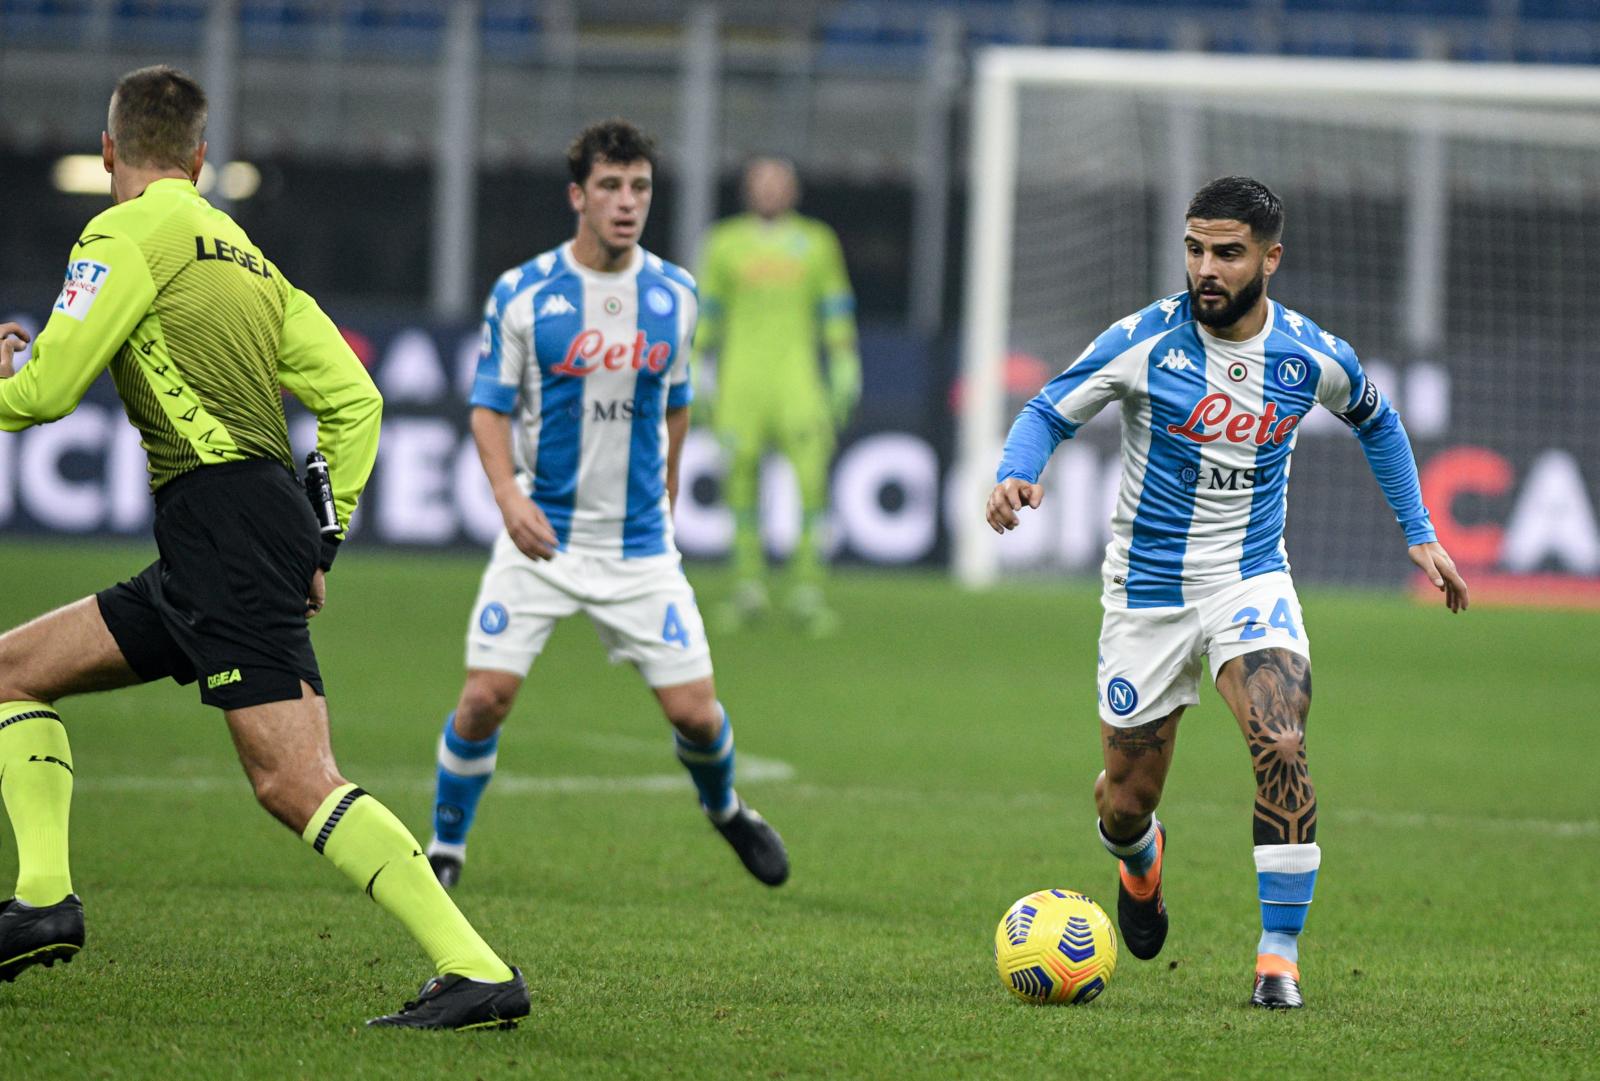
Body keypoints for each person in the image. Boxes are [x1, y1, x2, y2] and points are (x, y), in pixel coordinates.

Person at [0, 65, 528, 1031]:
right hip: (239, 527)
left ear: (109, 150)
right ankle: (41, 902)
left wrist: (10, 375)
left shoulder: (118, 236)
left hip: (222, 526)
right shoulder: (248, 258)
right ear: (201, 159)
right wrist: (324, 534)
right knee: (11, 672)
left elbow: (45, 394)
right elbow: (357, 400)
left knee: (294, 779)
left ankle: (476, 968)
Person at [985, 176, 1469, 1010]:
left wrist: (1418, 529)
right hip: (1147, 589)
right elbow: (1048, 409)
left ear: (1271, 258)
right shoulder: (1145, 341)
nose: (1206, 268)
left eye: (1228, 253)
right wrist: (1015, 472)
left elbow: (1377, 419)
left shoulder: (1310, 355)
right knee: (1126, 796)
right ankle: (1141, 861)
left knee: (1281, 737)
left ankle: (1278, 956)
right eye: (1195, 249)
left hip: (1249, 575)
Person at [423, 119, 789, 894]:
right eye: (611, 187)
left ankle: (726, 808)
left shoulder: (675, 294)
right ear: (578, 197)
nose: (628, 202)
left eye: (640, 187)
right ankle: (445, 848)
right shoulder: (524, 293)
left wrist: (672, 484)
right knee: (484, 698)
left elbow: (677, 401)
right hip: (543, 535)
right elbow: (488, 408)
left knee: (696, 714)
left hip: (638, 545)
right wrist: (507, 495)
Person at [692, 157, 860, 636]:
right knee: (739, 484)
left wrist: (844, 362)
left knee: (811, 482)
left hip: (797, 381)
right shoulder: (724, 243)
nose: (769, 190)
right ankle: (748, 587)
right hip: (740, 383)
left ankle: (808, 589)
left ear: (793, 190)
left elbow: (835, 307)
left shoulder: (817, 242)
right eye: (761, 182)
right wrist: (693, 363)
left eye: (778, 182)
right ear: (748, 189)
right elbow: (708, 311)